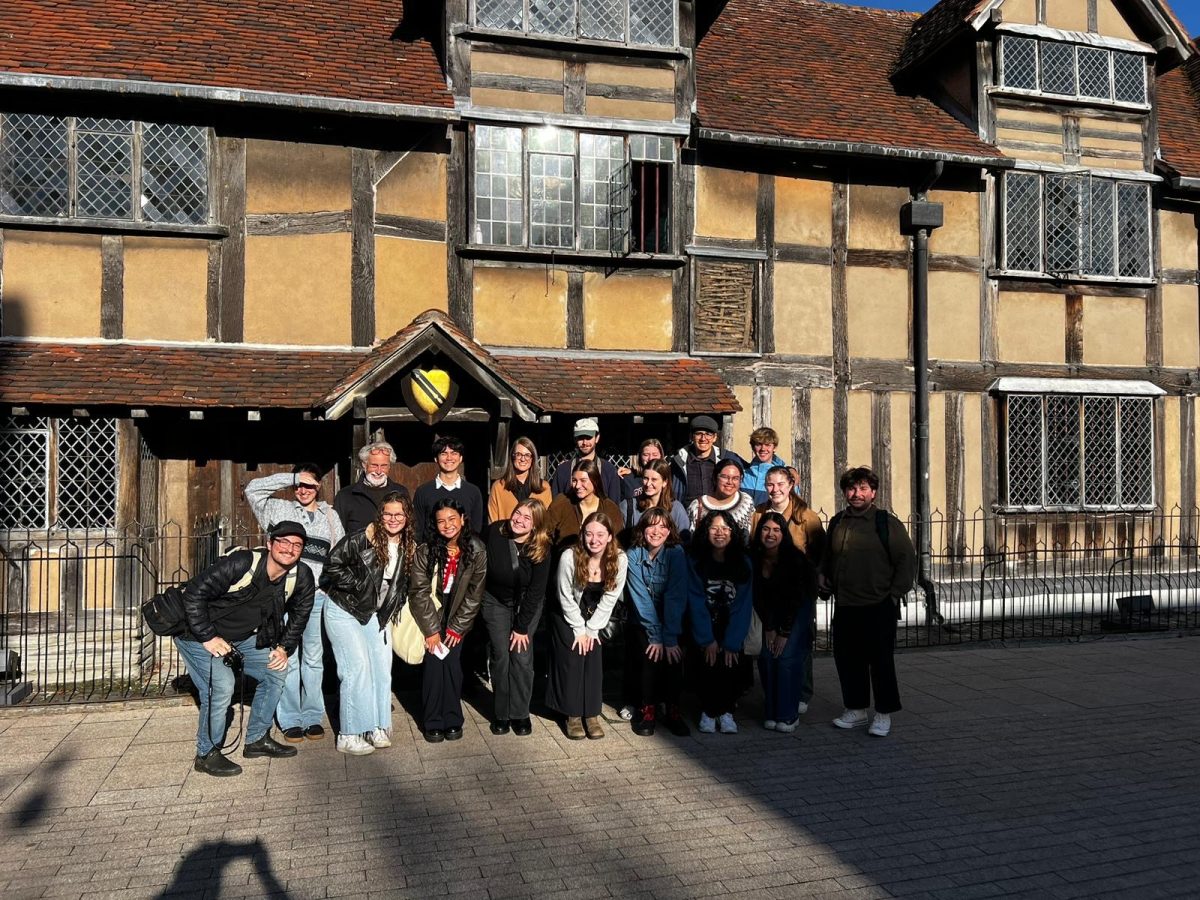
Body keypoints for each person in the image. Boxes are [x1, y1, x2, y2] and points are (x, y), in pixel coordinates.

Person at [175, 521, 315, 777]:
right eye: (283, 542)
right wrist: (208, 636)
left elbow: (300, 615)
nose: (290, 548)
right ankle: (206, 753)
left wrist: (284, 647)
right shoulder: (242, 563)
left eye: (297, 545)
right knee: (222, 686)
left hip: (239, 638)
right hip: (197, 635)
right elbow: (193, 594)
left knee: (276, 671)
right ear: (270, 544)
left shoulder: (301, 575)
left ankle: (257, 739)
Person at [244, 464, 345, 743]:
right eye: (299, 485)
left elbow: (340, 552)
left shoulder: (330, 515)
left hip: (316, 597)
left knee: (313, 658)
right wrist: (289, 478)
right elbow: (252, 490)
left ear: (319, 487)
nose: (303, 490)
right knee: (285, 655)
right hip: (282, 596)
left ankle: (312, 715)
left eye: (309, 485)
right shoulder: (278, 510)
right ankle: (290, 718)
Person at [821, 466, 916, 738]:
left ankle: (883, 714)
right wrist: (823, 576)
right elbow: (829, 555)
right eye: (851, 489)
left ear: (873, 492)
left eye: (863, 488)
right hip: (846, 604)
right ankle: (856, 709)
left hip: (878, 605)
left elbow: (906, 561)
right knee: (848, 659)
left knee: (880, 661)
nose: (856, 494)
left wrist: (894, 595)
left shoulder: (886, 523)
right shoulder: (838, 521)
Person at [320, 491, 414, 756]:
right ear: (380, 515)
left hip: (374, 613)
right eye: (388, 513)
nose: (393, 519)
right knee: (356, 668)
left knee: (382, 669)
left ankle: (376, 725)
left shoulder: (409, 546)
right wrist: (360, 585)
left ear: (407, 517)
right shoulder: (362, 538)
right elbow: (331, 567)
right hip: (344, 609)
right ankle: (348, 734)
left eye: (399, 514)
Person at [409, 497, 488, 743]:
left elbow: (475, 594)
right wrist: (432, 631)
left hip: (458, 616)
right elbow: (418, 591)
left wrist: (457, 627)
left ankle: (453, 718)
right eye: (441, 521)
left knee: (452, 665)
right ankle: (432, 720)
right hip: (431, 614)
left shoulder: (476, 549)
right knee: (433, 666)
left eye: (452, 519)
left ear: (463, 519)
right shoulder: (425, 550)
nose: (447, 525)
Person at [750, 464, 827, 716]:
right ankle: (775, 695)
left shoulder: (806, 515)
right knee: (769, 644)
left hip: (797, 590)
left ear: (791, 485)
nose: (775, 489)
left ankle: (801, 692)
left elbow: (819, 552)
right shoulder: (759, 513)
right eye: (770, 484)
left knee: (797, 643)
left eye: (781, 484)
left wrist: (813, 578)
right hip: (768, 587)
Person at [546, 511, 627, 740]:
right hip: (566, 611)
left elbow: (611, 597)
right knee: (573, 652)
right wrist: (579, 629)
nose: (594, 540)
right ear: (582, 535)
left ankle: (591, 713)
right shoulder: (569, 557)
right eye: (589, 534)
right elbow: (564, 596)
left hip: (596, 613)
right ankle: (572, 713)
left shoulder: (619, 558)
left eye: (601, 534)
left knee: (593, 653)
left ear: (610, 536)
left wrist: (591, 629)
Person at [481, 498, 551, 736]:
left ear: (535, 525)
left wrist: (521, 627)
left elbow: (536, 591)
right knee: (500, 655)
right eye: (517, 513)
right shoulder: (495, 532)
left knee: (520, 656)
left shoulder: (541, 546)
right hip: (495, 601)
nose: (519, 520)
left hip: (526, 604)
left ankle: (520, 713)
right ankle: (501, 713)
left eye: (527, 518)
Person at [624, 509, 691, 737]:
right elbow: (640, 596)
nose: (657, 531)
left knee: (674, 655)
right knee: (649, 654)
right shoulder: (633, 554)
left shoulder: (676, 554)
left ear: (670, 530)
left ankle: (673, 709)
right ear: (643, 530)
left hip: (671, 618)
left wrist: (669, 637)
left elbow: (675, 596)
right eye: (651, 526)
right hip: (643, 620)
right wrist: (655, 635)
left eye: (663, 526)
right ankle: (647, 708)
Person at [685, 510, 752, 735]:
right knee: (707, 664)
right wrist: (706, 638)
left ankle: (726, 711)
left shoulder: (743, 563)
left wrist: (733, 640)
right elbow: (695, 600)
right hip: (706, 624)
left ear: (733, 532)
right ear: (706, 532)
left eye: (725, 528)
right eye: (714, 528)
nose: (720, 533)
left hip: (732, 625)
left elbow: (743, 604)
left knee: (730, 663)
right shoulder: (696, 562)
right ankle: (708, 711)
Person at [750, 511, 816, 733]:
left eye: (776, 530)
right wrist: (769, 628)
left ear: (783, 534)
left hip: (796, 610)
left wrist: (784, 632)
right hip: (769, 612)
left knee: (786, 657)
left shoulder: (794, 560)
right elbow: (758, 597)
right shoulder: (754, 558)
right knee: (767, 657)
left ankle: (789, 715)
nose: (770, 534)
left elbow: (795, 599)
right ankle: (772, 711)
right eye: (766, 529)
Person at [412, 435, 485, 541]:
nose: (449, 458)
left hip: (464, 553)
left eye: (454, 453)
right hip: (431, 553)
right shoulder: (423, 491)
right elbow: (417, 530)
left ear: (460, 458)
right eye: (444, 453)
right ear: (436, 459)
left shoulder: (473, 492)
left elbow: (476, 529)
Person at [544, 458, 624, 553]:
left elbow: (617, 542)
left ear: (595, 481)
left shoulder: (609, 508)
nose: (577, 486)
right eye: (574, 480)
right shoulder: (562, 502)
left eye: (583, 480)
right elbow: (544, 533)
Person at [333, 441, 410, 536]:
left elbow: (410, 528)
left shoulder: (401, 492)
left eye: (384, 466)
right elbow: (336, 536)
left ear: (389, 466)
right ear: (364, 465)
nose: (378, 471)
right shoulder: (345, 496)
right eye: (374, 465)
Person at [671, 415, 741, 508]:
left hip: (719, 514)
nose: (703, 438)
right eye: (699, 433)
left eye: (708, 434)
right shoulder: (678, 462)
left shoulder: (728, 459)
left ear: (715, 437)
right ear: (692, 436)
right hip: (687, 516)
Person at [550, 417, 625, 502]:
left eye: (588, 437)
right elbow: (556, 506)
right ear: (575, 439)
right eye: (581, 438)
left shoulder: (609, 470)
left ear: (597, 438)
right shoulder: (563, 470)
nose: (584, 442)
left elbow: (614, 507)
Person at [685, 457, 755, 540]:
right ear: (715, 477)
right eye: (725, 477)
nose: (730, 482)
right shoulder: (697, 506)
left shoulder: (746, 502)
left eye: (735, 478)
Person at [487, 437, 552, 524]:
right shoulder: (498, 487)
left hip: (535, 537)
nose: (522, 459)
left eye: (527, 455)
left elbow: (546, 521)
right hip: (506, 536)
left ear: (532, 458)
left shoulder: (544, 487)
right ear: (512, 456)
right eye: (518, 454)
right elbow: (493, 522)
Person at [625, 458, 691, 542]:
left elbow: (685, 543)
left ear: (665, 482)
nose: (648, 484)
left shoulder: (677, 509)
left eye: (654, 480)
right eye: (645, 478)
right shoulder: (629, 506)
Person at [741, 427, 789, 506]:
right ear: (753, 447)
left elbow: (795, 506)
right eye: (758, 444)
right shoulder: (742, 476)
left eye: (767, 445)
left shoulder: (786, 477)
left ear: (775, 448)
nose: (763, 448)